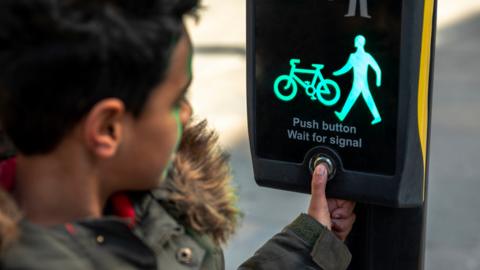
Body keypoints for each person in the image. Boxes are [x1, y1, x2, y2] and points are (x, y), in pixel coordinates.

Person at [0, 0, 356, 269]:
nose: (187, 115)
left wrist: (311, 241)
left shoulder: (156, 205)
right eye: (176, 100)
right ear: (107, 129)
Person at [333, 35, 382, 125]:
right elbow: (377, 70)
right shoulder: (359, 56)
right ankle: (377, 117)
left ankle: (342, 115)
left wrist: (378, 82)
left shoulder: (357, 56)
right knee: (367, 98)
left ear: (358, 43)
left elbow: (346, 68)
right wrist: (378, 81)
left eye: (356, 41)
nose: (354, 42)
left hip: (358, 84)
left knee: (353, 98)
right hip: (361, 83)